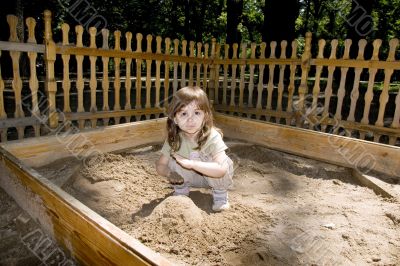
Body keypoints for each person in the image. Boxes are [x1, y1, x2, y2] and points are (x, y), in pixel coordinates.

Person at [156, 86, 234, 212]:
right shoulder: (174, 139)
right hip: (188, 179)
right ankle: (181, 190)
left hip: (212, 178)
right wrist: (169, 173)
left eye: (197, 113)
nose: (190, 119)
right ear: (175, 119)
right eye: (184, 113)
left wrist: (192, 164)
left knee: (224, 162)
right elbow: (160, 165)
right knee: (174, 160)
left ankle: (220, 196)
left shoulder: (212, 136)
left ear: (205, 116)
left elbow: (221, 170)